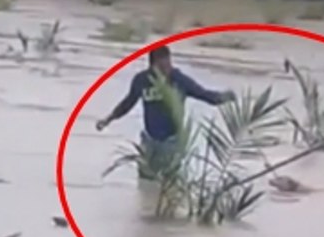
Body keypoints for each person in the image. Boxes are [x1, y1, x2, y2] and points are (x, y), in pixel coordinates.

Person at [96, 45, 235, 179]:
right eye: (162, 68)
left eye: (168, 66)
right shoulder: (142, 80)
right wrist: (108, 119)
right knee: (146, 186)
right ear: (152, 66)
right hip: (149, 141)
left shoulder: (178, 80)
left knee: (169, 184)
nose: (166, 71)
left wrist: (226, 97)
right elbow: (127, 104)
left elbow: (205, 95)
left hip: (172, 142)